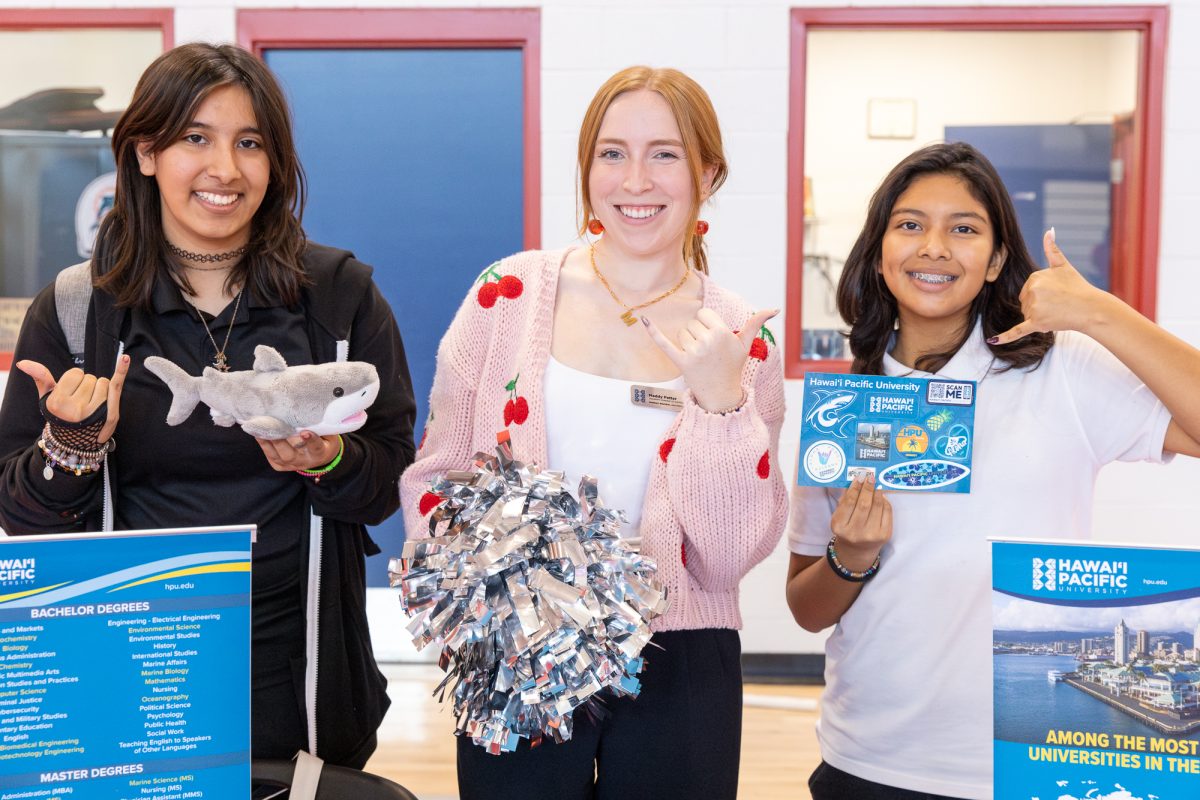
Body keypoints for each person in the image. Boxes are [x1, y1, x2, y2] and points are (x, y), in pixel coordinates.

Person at [0, 43, 416, 768]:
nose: (225, 168)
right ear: (146, 153)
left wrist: (330, 458)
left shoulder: (341, 301)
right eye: (196, 137)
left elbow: (387, 481)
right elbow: (20, 514)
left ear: (274, 162)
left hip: (300, 673)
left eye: (249, 143)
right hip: (126, 662)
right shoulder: (77, 311)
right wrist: (70, 446)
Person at [400, 66, 788, 800]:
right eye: (612, 153)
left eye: (665, 154)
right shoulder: (506, 295)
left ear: (708, 173)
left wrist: (719, 401)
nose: (634, 179)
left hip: (685, 654)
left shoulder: (739, 339)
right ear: (586, 169)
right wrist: (476, 602)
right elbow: (439, 473)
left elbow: (729, 557)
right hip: (522, 645)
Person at [785, 141, 1200, 800]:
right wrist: (851, 556)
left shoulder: (1059, 369)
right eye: (911, 224)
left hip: (1037, 763)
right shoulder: (843, 411)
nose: (935, 246)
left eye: (965, 228)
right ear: (880, 249)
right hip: (871, 759)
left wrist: (1099, 312)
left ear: (997, 258)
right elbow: (806, 610)